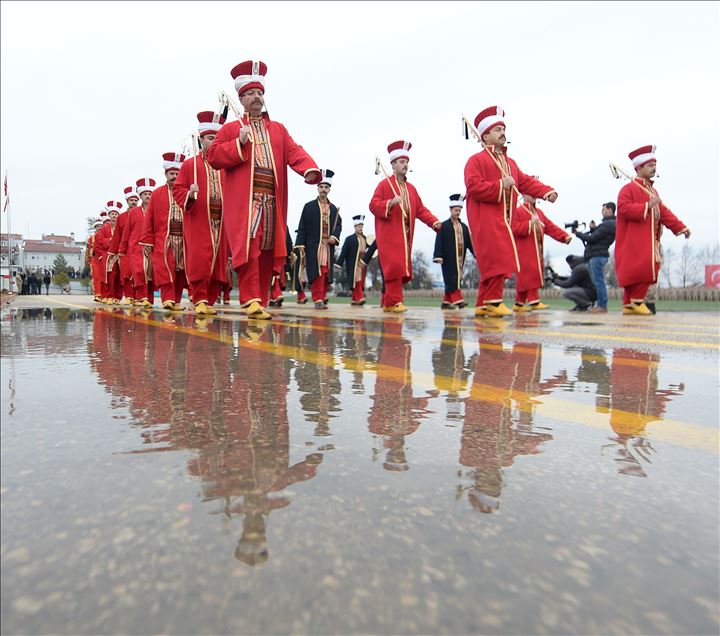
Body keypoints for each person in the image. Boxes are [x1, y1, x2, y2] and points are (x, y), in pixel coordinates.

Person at [207, 59, 321, 320]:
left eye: (259, 93)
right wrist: (239, 142)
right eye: (250, 93)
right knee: (250, 246)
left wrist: (309, 169)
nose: (256, 97)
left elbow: (294, 152)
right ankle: (249, 299)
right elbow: (212, 156)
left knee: (269, 249)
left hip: (272, 198)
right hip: (246, 201)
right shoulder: (231, 129)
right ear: (241, 98)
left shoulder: (278, 129)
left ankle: (260, 300)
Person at [464, 106, 558, 317]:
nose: (502, 133)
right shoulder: (476, 160)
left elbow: (525, 182)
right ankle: (494, 302)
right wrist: (500, 184)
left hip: (505, 219)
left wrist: (546, 192)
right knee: (499, 259)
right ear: (485, 135)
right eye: (497, 129)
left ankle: (481, 304)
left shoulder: (510, 163)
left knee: (493, 262)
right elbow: (473, 186)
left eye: (503, 129)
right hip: (485, 219)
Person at [616, 145, 690, 315]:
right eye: (650, 165)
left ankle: (630, 304)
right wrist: (647, 205)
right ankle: (635, 302)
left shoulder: (652, 191)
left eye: (655, 165)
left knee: (649, 268)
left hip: (651, 242)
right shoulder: (628, 189)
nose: (654, 168)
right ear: (639, 167)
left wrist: (681, 227)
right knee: (641, 271)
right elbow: (624, 209)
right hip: (635, 242)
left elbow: (665, 214)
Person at [369, 140, 441, 312]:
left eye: (406, 161)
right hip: (389, 234)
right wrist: (390, 203)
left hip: (405, 235)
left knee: (401, 267)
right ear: (393, 164)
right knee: (394, 265)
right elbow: (373, 205)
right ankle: (394, 301)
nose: (405, 165)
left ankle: (389, 301)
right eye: (401, 161)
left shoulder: (411, 189)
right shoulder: (385, 185)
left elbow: (421, 210)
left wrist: (433, 221)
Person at [173, 111, 230, 316]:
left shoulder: (225, 165)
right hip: (199, 219)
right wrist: (189, 194)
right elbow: (177, 189)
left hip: (221, 221)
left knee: (218, 262)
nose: (214, 142)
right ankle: (199, 299)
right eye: (210, 138)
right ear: (201, 140)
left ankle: (211, 299)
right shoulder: (190, 165)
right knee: (200, 260)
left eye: (217, 139)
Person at [140, 153, 189, 312]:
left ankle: (176, 300)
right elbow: (149, 218)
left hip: (184, 237)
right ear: (166, 174)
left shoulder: (186, 192)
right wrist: (147, 239)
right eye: (171, 174)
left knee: (181, 269)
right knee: (165, 267)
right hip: (164, 237)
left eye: (177, 173)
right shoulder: (157, 193)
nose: (174, 176)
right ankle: (167, 299)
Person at [511, 193, 571, 312]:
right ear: (523, 195)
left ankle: (519, 303)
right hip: (523, 250)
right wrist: (529, 223)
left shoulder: (539, 213)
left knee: (528, 275)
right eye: (531, 193)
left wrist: (564, 236)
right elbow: (514, 228)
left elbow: (550, 227)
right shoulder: (518, 211)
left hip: (537, 250)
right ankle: (534, 300)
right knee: (529, 274)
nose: (534, 196)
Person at [295, 169, 342, 309]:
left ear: (329, 189)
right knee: (316, 271)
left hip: (328, 245)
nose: (323, 189)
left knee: (326, 272)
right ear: (317, 188)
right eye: (321, 186)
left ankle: (322, 296)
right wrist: (300, 244)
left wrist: (334, 237)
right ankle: (317, 299)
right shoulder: (309, 207)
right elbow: (302, 226)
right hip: (313, 245)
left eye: (326, 187)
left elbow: (338, 225)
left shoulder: (334, 209)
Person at [433, 194, 475, 309]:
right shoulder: (444, 226)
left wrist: (476, 254)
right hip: (448, 258)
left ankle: (446, 302)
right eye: (456, 210)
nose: (458, 213)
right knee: (451, 278)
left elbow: (470, 243)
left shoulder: (464, 227)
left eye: (459, 211)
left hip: (460, 258)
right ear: (450, 210)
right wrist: (438, 255)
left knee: (457, 277)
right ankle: (458, 300)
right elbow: (439, 241)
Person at [573, 202, 616, 313]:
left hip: (597, 256)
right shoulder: (609, 224)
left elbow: (592, 239)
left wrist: (578, 234)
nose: (602, 211)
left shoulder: (607, 224)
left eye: (603, 209)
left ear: (610, 210)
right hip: (597, 255)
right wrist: (594, 229)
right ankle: (600, 305)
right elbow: (598, 236)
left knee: (599, 281)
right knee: (597, 281)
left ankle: (602, 305)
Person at [119, 178, 156, 307]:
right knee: (140, 271)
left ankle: (149, 298)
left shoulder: (156, 210)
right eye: (145, 194)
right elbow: (126, 232)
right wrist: (122, 250)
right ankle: (142, 297)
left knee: (151, 274)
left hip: (153, 247)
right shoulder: (134, 212)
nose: (147, 196)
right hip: (135, 247)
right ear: (140, 196)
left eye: (150, 194)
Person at [109, 187, 140, 305]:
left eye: (136, 200)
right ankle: (129, 296)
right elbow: (117, 235)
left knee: (138, 272)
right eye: (131, 200)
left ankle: (139, 296)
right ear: (127, 201)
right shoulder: (121, 217)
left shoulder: (143, 214)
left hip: (139, 248)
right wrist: (113, 252)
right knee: (126, 273)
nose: (134, 202)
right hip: (125, 250)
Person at [336, 214, 369, 306]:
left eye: (362, 226)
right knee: (356, 281)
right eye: (359, 226)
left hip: (362, 264)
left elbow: (370, 249)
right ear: (355, 227)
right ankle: (360, 297)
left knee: (360, 281)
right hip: (353, 264)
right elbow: (343, 252)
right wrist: (339, 263)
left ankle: (354, 299)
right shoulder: (349, 239)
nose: (360, 228)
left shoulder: (365, 238)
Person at [103, 201, 124, 304]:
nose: (114, 216)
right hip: (110, 255)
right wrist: (110, 240)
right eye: (112, 214)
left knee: (121, 276)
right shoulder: (105, 228)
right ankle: (109, 295)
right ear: (109, 215)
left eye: (116, 214)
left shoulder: (121, 226)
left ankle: (118, 297)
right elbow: (101, 241)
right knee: (110, 276)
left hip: (120, 254)